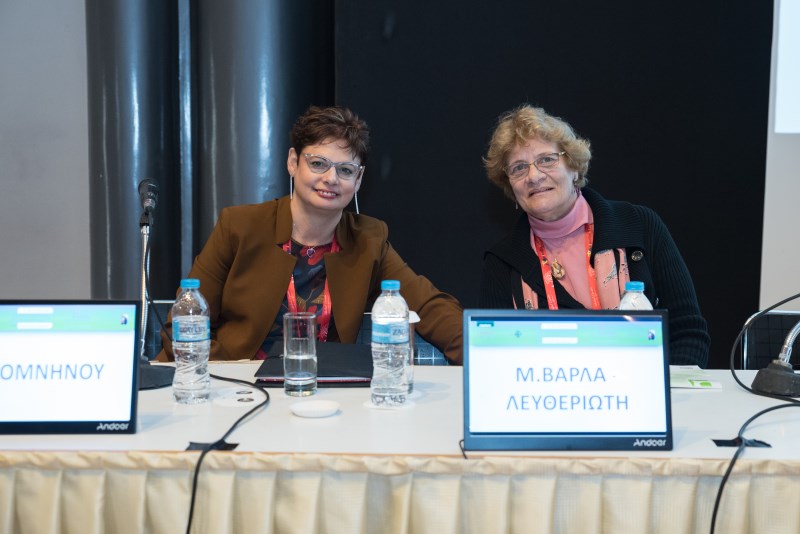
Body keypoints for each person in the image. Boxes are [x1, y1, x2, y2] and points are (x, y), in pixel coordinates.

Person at [159, 105, 463, 364]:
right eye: (318, 164)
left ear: (358, 180)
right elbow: (183, 325)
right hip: (238, 388)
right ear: (293, 162)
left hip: (323, 392)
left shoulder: (369, 240)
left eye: (346, 170)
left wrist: (483, 354)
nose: (331, 179)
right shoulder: (239, 226)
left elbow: (429, 307)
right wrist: (223, 377)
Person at [480, 104, 710, 367]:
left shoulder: (640, 225)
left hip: (640, 386)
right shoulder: (502, 261)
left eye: (546, 160)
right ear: (510, 185)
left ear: (574, 167)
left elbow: (688, 332)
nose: (533, 176)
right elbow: (493, 356)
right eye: (519, 168)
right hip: (550, 389)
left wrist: (662, 387)